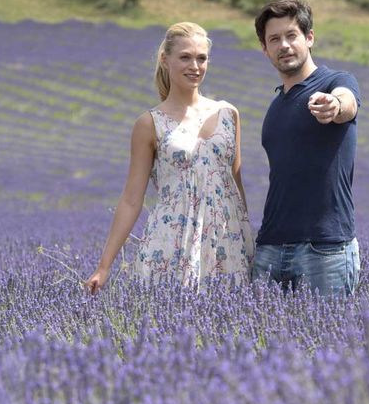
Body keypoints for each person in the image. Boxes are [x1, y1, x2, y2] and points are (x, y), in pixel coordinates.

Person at [85, 22, 253, 293]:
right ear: (165, 59)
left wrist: (248, 240)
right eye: (185, 57)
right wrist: (104, 266)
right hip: (171, 244)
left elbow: (236, 184)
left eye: (201, 58)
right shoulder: (149, 123)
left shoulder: (228, 114)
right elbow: (131, 199)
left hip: (226, 241)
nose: (195, 66)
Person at [251, 0, 361, 297]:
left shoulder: (335, 81)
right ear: (265, 49)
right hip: (270, 247)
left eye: (291, 35)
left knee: (328, 340)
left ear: (309, 38)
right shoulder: (275, 106)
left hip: (324, 248)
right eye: (274, 39)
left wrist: (335, 105)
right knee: (263, 340)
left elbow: (347, 102)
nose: (284, 45)